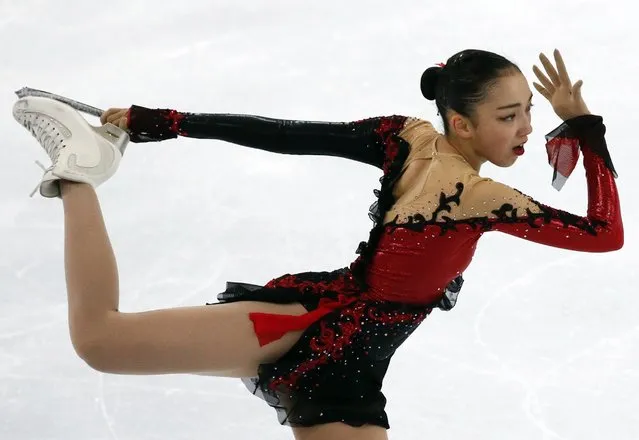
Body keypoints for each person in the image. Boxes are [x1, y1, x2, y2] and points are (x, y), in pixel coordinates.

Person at [13, 48, 623, 440]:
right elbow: (605, 234)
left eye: (528, 114)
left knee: (103, 344)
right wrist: (587, 131)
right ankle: (79, 170)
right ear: (461, 123)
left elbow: (285, 136)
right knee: (100, 339)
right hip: (306, 331)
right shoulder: (476, 195)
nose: (527, 130)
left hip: (347, 378)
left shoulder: (405, 137)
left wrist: (174, 124)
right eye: (509, 116)